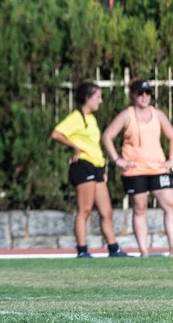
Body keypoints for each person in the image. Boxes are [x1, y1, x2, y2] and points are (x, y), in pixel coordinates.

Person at [51, 82, 127, 258]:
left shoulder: (92, 119)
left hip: (96, 167)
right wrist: (74, 147)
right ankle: (82, 250)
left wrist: (102, 169)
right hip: (83, 166)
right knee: (84, 210)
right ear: (87, 98)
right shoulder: (76, 117)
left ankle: (114, 248)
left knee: (106, 211)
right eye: (97, 97)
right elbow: (56, 134)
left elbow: (94, 145)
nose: (100, 101)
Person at [102, 79, 173, 257]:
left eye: (147, 93)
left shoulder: (157, 114)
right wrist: (118, 160)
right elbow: (107, 136)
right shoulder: (127, 115)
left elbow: (171, 136)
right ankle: (144, 251)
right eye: (140, 93)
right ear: (133, 94)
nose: (144, 97)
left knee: (170, 205)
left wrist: (171, 160)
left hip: (157, 168)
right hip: (135, 170)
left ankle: (172, 249)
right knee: (140, 208)